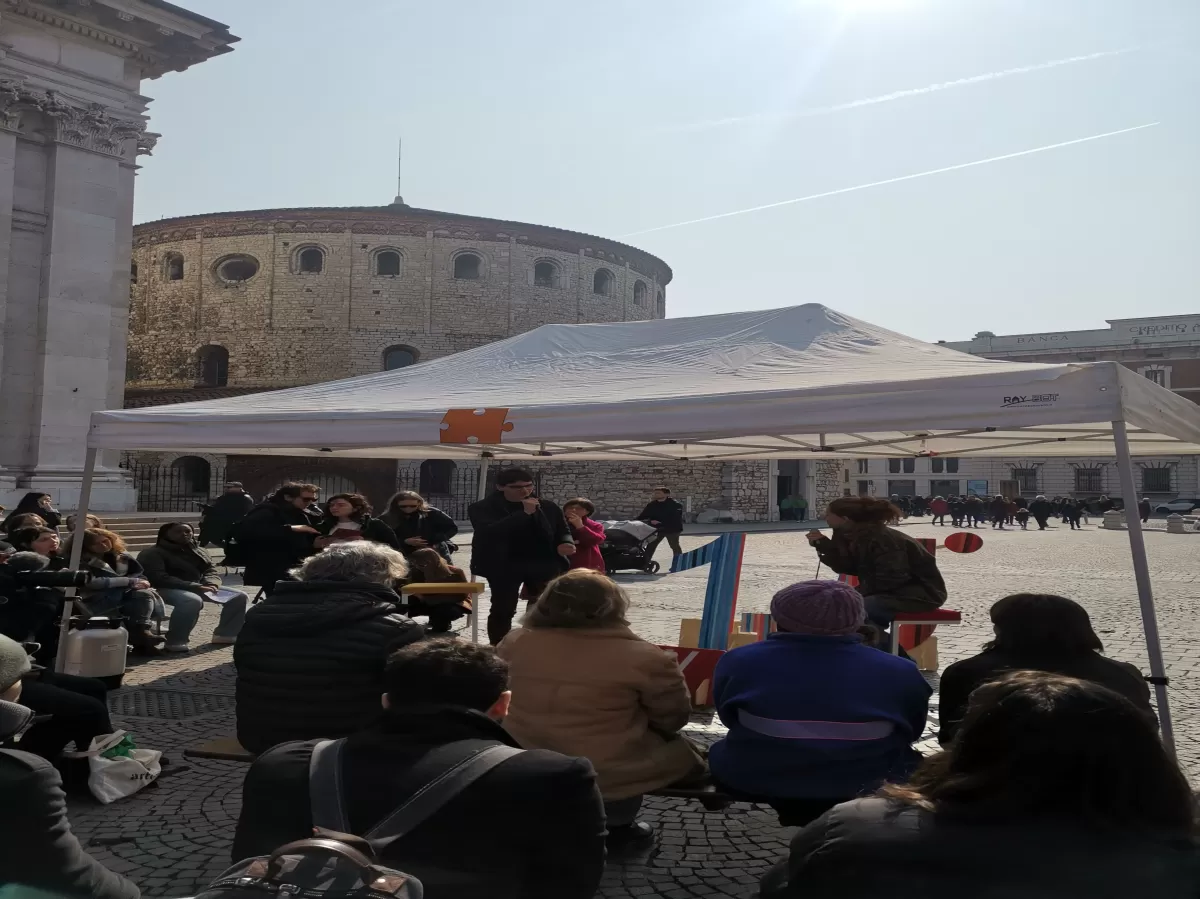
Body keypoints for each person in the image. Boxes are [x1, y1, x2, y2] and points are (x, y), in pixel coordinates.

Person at [761, 672, 1200, 899]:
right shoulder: (1177, 856)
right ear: (1142, 748)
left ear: (971, 742)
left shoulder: (862, 823)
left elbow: (786, 885)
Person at [232, 639, 605, 899]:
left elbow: (252, 864)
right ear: (502, 704)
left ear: (386, 701)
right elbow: (568, 885)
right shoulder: (553, 777)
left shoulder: (283, 762)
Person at [498, 570, 705, 847]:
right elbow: (673, 717)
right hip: (604, 771)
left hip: (525, 756)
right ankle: (617, 826)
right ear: (612, 606)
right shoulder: (646, 658)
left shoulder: (514, 642)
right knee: (683, 753)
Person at [709, 581, 930, 826]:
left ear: (779, 618)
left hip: (754, 774)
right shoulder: (900, 670)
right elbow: (911, 729)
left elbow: (730, 717)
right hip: (871, 778)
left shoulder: (738, 661)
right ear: (858, 620)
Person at [233, 542, 424, 755]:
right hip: (349, 742)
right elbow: (414, 696)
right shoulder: (397, 627)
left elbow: (243, 669)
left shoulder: (259, 616)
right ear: (382, 577)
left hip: (261, 737)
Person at [0, 636, 140, 899]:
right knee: (88, 708)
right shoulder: (20, 779)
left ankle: (98, 761)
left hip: (21, 663)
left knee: (93, 690)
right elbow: (73, 877)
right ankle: (99, 769)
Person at [938, 593, 1155, 744]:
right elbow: (1147, 734)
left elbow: (950, 739)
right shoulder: (1122, 673)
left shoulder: (967, 672)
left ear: (1001, 629)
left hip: (994, 792)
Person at [468, 468, 574, 645]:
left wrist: (566, 542)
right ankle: (499, 646)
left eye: (529, 486)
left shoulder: (547, 506)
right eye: (517, 487)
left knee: (544, 607)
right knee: (503, 608)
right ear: (501, 487)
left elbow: (563, 529)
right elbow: (489, 533)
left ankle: (538, 643)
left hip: (542, 561)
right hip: (504, 564)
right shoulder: (482, 508)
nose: (525, 491)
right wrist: (523, 514)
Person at [807, 496, 947, 627]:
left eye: (829, 513)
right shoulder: (850, 534)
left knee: (854, 610)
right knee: (838, 604)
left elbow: (891, 577)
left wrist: (853, 594)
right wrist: (825, 546)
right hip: (890, 590)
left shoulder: (883, 538)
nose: (825, 517)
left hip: (918, 594)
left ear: (845, 518)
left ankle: (873, 649)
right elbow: (848, 566)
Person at [137, 522, 248, 651]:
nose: (184, 534)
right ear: (165, 534)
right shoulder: (152, 553)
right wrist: (195, 586)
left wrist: (212, 583)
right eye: (178, 532)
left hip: (198, 586)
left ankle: (225, 634)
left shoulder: (200, 551)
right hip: (162, 588)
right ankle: (175, 641)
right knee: (191, 600)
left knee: (238, 597)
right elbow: (159, 577)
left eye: (188, 531)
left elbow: (210, 571)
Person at [69, 528, 163, 654]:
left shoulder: (122, 556)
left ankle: (142, 631)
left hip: (125, 593)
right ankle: (137, 640)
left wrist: (142, 582)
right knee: (127, 604)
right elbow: (92, 582)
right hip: (96, 598)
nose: (103, 545)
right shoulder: (80, 560)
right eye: (96, 544)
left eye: (105, 541)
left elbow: (138, 574)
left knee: (143, 595)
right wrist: (128, 582)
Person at [237, 482, 321, 596]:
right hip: (272, 567)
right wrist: (291, 529)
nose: (310, 503)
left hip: (295, 565)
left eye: (313, 499)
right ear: (287, 497)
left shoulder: (300, 512)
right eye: (306, 499)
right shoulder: (267, 511)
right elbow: (249, 532)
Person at [402, 547, 471, 634]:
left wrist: (426, 595)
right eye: (414, 563)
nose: (417, 566)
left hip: (448, 603)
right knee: (404, 603)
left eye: (420, 564)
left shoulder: (454, 572)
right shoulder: (415, 572)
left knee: (445, 611)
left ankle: (441, 624)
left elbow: (462, 594)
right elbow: (408, 589)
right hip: (425, 601)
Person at [380, 490, 459, 560]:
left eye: (413, 506)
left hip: (434, 552)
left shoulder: (431, 513)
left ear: (419, 503)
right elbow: (381, 537)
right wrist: (404, 541)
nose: (408, 509)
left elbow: (451, 528)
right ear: (396, 504)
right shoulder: (387, 518)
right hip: (401, 554)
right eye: (403, 506)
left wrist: (433, 540)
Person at [315, 493, 401, 550]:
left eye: (341, 505)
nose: (334, 508)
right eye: (331, 505)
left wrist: (366, 542)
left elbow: (393, 548)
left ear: (356, 508)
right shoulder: (323, 526)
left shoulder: (374, 525)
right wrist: (316, 545)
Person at [198, 481, 254, 547]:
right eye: (225, 487)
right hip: (220, 523)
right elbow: (217, 508)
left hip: (234, 524)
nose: (226, 489)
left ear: (239, 488)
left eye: (229, 487)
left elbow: (244, 512)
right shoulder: (224, 497)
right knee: (212, 536)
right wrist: (207, 508)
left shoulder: (245, 498)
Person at [637, 486, 684, 557]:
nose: (656, 494)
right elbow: (643, 515)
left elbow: (676, 519)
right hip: (657, 529)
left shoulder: (676, 505)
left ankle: (679, 563)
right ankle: (645, 563)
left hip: (672, 529)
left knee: (674, 546)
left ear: (667, 494)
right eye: (655, 493)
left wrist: (661, 522)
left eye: (658, 493)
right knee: (651, 546)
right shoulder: (652, 505)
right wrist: (632, 521)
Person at [563, 497, 606, 572]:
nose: (573, 510)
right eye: (570, 508)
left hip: (588, 564)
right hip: (564, 562)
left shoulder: (595, 525)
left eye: (578, 508)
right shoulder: (559, 523)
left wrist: (580, 526)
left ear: (587, 511)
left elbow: (596, 540)